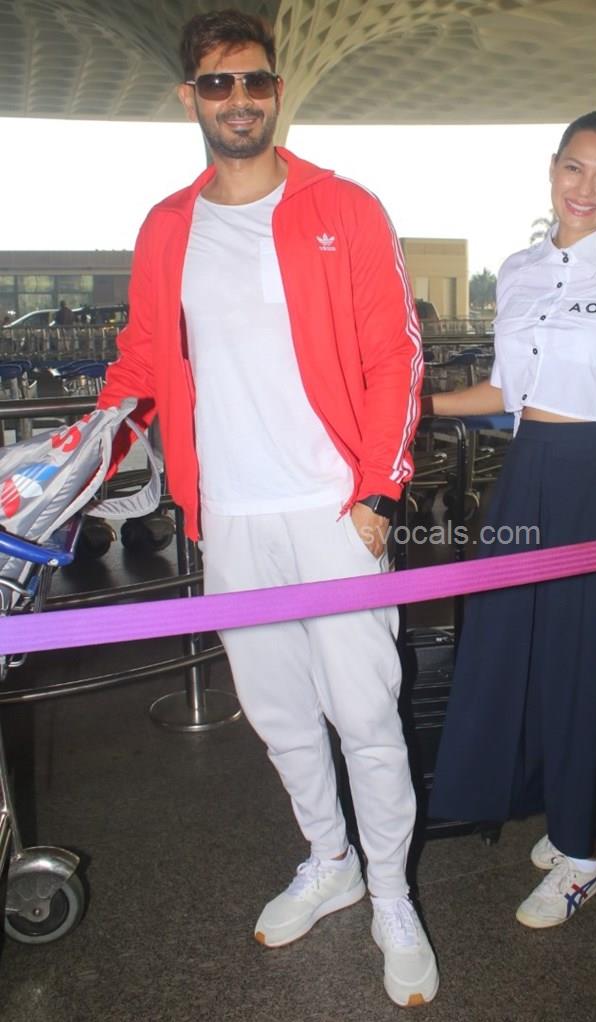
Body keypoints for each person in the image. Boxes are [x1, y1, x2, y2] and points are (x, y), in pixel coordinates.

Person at [97, 8, 438, 1008]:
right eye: (218, 84)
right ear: (189, 98)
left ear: (276, 91)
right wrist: (82, 450)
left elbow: (395, 354)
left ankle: (391, 896)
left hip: (335, 509)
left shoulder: (344, 206)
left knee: (365, 715)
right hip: (232, 517)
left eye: (254, 81)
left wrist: (378, 488)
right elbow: (142, 362)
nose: (238, 99)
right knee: (281, 714)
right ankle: (330, 860)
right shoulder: (168, 226)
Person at [426, 111, 596, 929]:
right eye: (575, 168)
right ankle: (558, 801)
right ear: (552, 169)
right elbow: (507, 393)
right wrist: (418, 408)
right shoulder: (518, 270)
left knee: (587, 665)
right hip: (527, 478)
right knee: (513, 647)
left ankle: (582, 855)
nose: (587, 188)